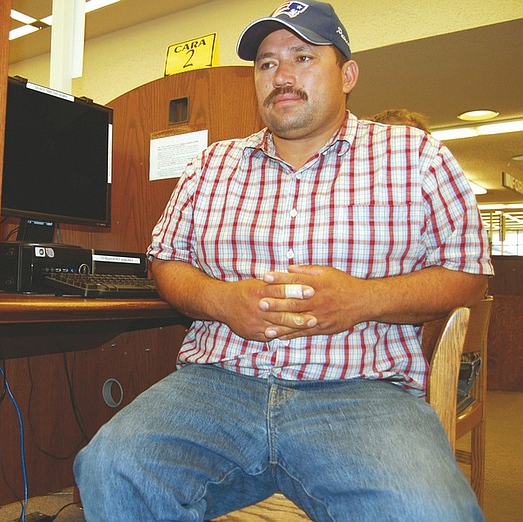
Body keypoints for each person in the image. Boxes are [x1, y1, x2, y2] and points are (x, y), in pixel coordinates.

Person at [74, 2, 492, 520]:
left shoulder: (418, 157)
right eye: (267, 64)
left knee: (430, 510)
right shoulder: (212, 164)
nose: (282, 76)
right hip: (219, 383)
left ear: (348, 75)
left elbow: (468, 272)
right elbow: (166, 260)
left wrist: (365, 299)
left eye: (303, 57)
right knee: (110, 466)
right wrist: (222, 300)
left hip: (360, 391)